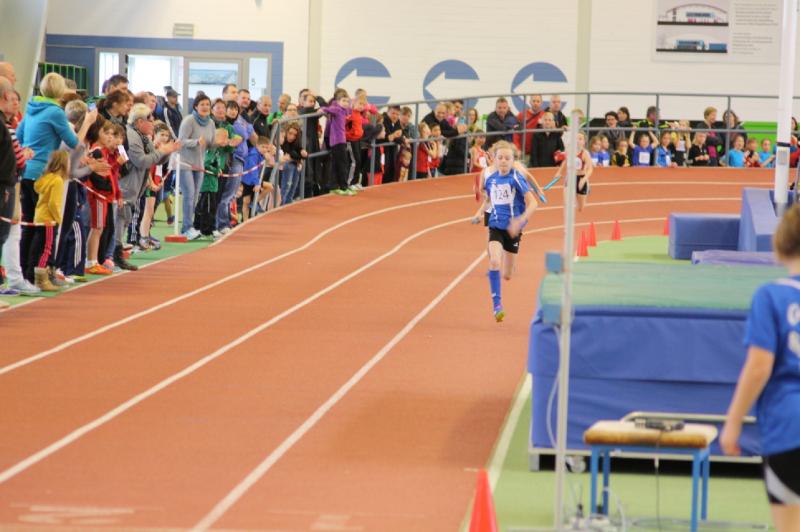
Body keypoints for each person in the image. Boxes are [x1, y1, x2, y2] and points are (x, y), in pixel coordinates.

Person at [721, 204, 800, 531]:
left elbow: (759, 366)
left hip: (790, 427)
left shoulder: (772, 296)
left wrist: (733, 422)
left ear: (780, 244)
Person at [17, 73, 96, 281]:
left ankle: (25, 274)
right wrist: (87, 122)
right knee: (45, 226)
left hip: (27, 172)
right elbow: (73, 143)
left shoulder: (31, 107)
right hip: (45, 174)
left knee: (29, 225)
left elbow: (20, 136)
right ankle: (38, 274)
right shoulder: (55, 112)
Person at [473, 140, 537, 322]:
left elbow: (533, 203)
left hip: (513, 229)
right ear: (494, 159)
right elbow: (489, 200)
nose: (503, 161)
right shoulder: (490, 179)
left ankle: (509, 265)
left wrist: (521, 220)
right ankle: (497, 306)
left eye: (507, 158)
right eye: (500, 157)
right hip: (495, 225)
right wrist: (479, 214)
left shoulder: (516, 178)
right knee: (494, 261)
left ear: (512, 160)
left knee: (507, 275)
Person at [121, 103, 179, 266]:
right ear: (140, 122)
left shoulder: (144, 136)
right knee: (120, 220)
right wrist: (162, 151)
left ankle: (115, 255)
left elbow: (156, 158)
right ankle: (113, 254)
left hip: (135, 187)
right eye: (150, 120)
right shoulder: (132, 136)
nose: (153, 123)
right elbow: (142, 161)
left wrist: (166, 152)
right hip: (126, 186)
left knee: (125, 219)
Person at [28, 150, 69, 291]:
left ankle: (32, 275)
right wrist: (58, 218)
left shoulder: (45, 178)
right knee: (46, 250)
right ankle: (41, 280)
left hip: (39, 217)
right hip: (49, 220)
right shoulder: (57, 181)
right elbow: (53, 203)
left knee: (37, 248)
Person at [177, 93, 216, 240]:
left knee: (194, 197)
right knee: (189, 194)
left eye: (207, 104)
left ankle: (190, 226)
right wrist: (196, 142)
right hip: (184, 162)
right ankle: (186, 228)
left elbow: (210, 143)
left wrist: (222, 142)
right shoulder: (189, 120)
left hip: (199, 164)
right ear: (195, 107)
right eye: (202, 104)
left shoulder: (211, 123)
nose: (205, 107)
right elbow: (180, 141)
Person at [196, 128, 229, 238]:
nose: (227, 140)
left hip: (213, 183)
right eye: (225, 137)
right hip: (208, 183)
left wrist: (218, 169)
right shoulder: (211, 148)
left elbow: (215, 163)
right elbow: (205, 163)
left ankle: (199, 227)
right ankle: (208, 230)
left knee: (207, 205)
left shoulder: (217, 150)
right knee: (209, 207)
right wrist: (215, 170)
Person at [552, 131, 593, 211]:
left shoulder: (585, 154)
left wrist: (584, 180)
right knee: (567, 204)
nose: (577, 140)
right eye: (576, 138)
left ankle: (585, 190)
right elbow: (565, 161)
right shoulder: (569, 151)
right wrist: (559, 172)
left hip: (581, 178)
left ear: (584, 142)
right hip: (570, 178)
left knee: (580, 208)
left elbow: (590, 169)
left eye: (580, 139)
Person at [322, 88, 352, 195]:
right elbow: (328, 109)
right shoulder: (337, 109)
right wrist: (322, 109)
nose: (346, 103)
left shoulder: (344, 110)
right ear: (338, 101)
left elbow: (350, 109)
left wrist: (348, 102)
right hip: (338, 142)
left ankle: (333, 186)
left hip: (339, 141)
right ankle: (344, 187)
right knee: (342, 164)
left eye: (347, 101)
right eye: (343, 101)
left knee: (335, 164)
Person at [279, 122, 306, 204]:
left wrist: (301, 154)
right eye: (290, 133)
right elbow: (291, 154)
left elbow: (302, 156)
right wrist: (298, 158)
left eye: (295, 135)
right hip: (285, 166)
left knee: (293, 187)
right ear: (286, 132)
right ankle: (282, 204)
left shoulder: (296, 143)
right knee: (287, 186)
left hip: (295, 165)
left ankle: (288, 203)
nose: (292, 137)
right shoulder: (282, 141)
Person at [514, 94, 544, 160]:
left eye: (538, 101)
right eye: (534, 101)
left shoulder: (544, 115)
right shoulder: (521, 115)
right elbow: (516, 134)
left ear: (541, 102)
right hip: (523, 153)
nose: (535, 103)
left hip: (539, 154)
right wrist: (517, 149)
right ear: (530, 102)